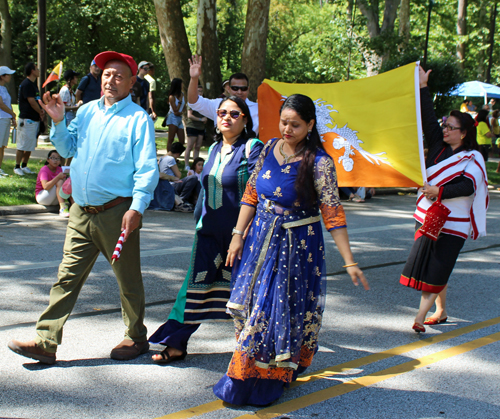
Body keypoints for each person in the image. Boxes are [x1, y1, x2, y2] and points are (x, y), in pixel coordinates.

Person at [212, 94, 369, 406]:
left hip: (296, 245)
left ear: (310, 125)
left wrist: (350, 262)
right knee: (249, 305)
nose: (287, 128)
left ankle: (260, 379)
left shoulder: (320, 163)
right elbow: (252, 193)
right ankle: (255, 369)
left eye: (295, 124)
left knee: (274, 310)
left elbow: (333, 213)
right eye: (284, 122)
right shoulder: (269, 148)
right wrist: (237, 234)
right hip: (258, 238)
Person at [7, 51, 159, 365]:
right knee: (66, 277)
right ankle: (46, 341)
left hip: (118, 212)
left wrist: (138, 207)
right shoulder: (87, 111)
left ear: (131, 83)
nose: (111, 80)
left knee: (127, 279)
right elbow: (66, 149)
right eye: (106, 74)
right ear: (98, 78)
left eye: (118, 75)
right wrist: (59, 121)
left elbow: (147, 169)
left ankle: (136, 337)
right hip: (80, 212)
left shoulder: (138, 119)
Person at [148, 96, 264, 363]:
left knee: (248, 293)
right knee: (193, 289)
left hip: (242, 236)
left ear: (245, 119)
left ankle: (256, 352)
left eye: (234, 114)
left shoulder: (253, 148)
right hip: (209, 234)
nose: (226, 117)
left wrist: (243, 232)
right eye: (222, 112)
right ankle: (175, 343)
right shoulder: (213, 149)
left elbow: (258, 192)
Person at [400, 66, 488, 334]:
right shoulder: (438, 145)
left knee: (438, 267)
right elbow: (427, 119)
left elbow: (468, 185)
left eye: (451, 127)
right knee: (434, 264)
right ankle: (442, 310)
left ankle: (419, 316)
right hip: (426, 216)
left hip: (455, 223)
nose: (445, 129)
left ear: (463, 133)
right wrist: (423, 87)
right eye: (445, 126)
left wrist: (439, 192)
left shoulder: (473, 157)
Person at [187, 55, 260, 134]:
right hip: (222, 145)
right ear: (228, 89)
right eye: (235, 88)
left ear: (248, 89)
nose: (239, 92)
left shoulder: (258, 109)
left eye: (243, 89)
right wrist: (194, 79)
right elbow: (194, 102)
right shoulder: (218, 104)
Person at [15, 62, 44, 176]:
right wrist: (40, 111)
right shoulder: (26, 84)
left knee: (30, 145)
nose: (38, 71)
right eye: (36, 69)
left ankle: (24, 165)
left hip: (34, 119)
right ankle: (17, 166)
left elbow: (36, 100)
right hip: (26, 119)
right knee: (22, 144)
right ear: (32, 71)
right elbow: (31, 102)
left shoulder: (33, 84)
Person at [158, 142, 199, 212]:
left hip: (166, 183)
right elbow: (178, 175)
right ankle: (183, 199)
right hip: (172, 184)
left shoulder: (162, 158)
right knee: (193, 178)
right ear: (178, 153)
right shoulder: (171, 159)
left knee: (194, 182)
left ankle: (194, 200)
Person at [35, 150, 70, 217]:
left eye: (58, 158)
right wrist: (58, 177)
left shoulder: (60, 169)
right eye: (53, 158)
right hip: (42, 197)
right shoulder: (44, 170)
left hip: (54, 199)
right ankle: (63, 208)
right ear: (48, 160)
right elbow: (45, 186)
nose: (55, 161)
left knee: (68, 182)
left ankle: (73, 205)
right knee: (59, 181)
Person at [184, 85, 207, 170]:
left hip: (201, 127)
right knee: (189, 146)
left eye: (201, 91)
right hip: (192, 126)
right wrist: (201, 119)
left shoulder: (204, 102)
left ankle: (195, 165)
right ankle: (186, 165)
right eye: (198, 91)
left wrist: (206, 118)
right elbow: (189, 115)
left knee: (197, 147)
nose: (199, 93)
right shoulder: (192, 101)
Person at [0, 66, 16, 177]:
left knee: (2, 146)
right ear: (2, 76)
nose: (10, 77)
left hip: (5, 119)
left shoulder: (4, 88)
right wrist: (12, 113)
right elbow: (1, 104)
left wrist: (12, 117)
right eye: (8, 74)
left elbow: (8, 104)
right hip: (1, 118)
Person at [166, 78, 185, 152]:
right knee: (171, 138)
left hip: (179, 118)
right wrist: (179, 102)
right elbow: (175, 111)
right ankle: (169, 155)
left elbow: (184, 108)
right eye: (181, 84)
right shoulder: (172, 97)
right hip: (172, 118)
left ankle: (176, 154)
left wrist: (181, 112)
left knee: (182, 140)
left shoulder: (182, 94)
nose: (182, 85)